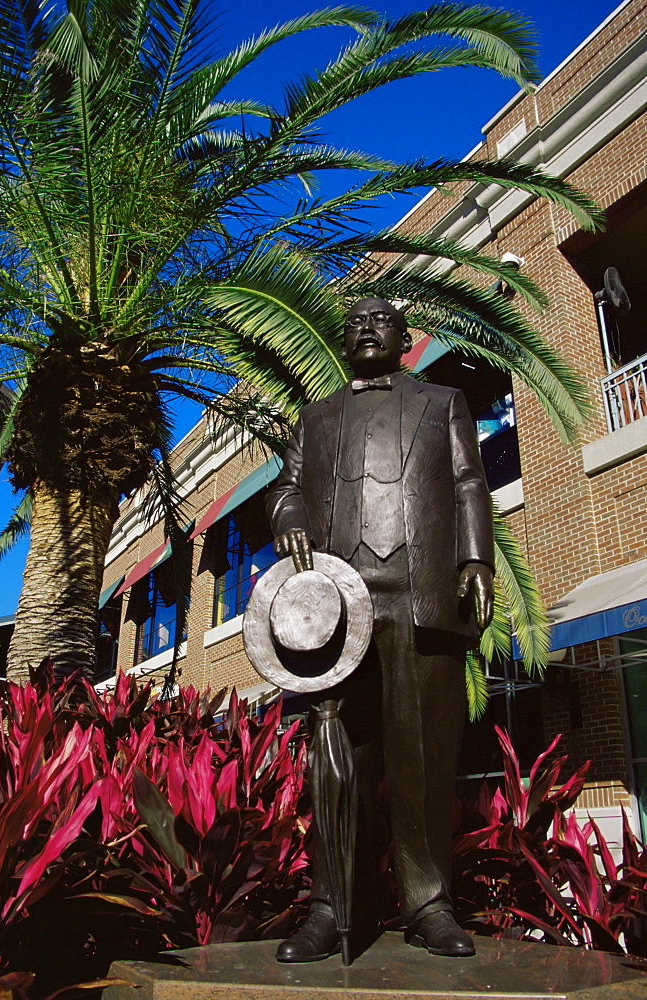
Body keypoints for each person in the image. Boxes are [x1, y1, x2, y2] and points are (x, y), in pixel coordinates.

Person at [266, 297, 494, 961]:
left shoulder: (443, 402)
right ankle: (332, 907)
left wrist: (475, 556)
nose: (365, 327)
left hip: (421, 602)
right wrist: (290, 518)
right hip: (340, 609)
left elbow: (467, 482)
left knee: (421, 761)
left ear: (405, 337)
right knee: (338, 765)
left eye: (379, 320)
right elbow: (285, 489)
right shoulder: (316, 417)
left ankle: (429, 904)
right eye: (354, 321)